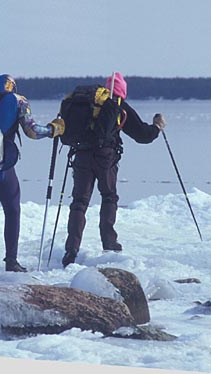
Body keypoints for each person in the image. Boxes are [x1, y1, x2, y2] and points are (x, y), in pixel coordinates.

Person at [0, 74, 65, 281]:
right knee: (12, 210)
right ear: (12, 87)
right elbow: (32, 131)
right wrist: (53, 129)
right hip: (1, 167)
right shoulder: (19, 100)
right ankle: (11, 261)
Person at [61, 72, 166, 267]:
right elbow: (142, 135)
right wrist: (157, 127)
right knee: (109, 196)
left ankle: (71, 250)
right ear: (122, 91)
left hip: (81, 154)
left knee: (79, 202)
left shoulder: (88, 103)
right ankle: (109, 242)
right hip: (105, 157)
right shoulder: (117, 105)